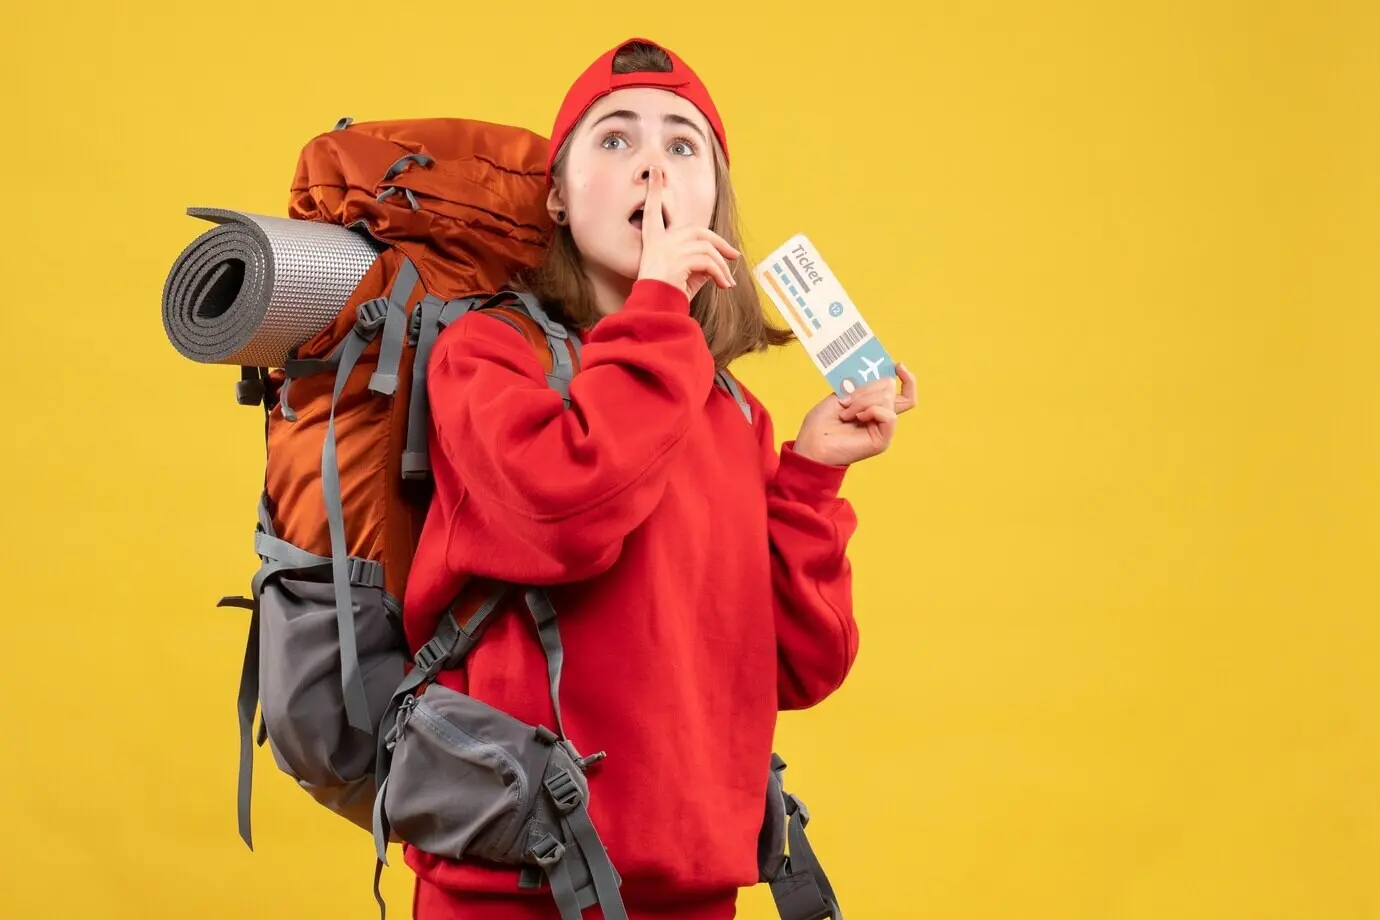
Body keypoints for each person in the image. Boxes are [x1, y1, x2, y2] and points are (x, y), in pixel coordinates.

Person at [399, 36, 918, 920]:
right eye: (615, 139)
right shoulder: (486, 355)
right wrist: (660, 308)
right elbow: (569, 514)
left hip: (696, 893)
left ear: (713, 200)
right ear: (557, 197)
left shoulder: (732, 412)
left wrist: (808, 479)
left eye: (683, 145)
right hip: (512, 892)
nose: (653, 167)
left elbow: (803, 666)